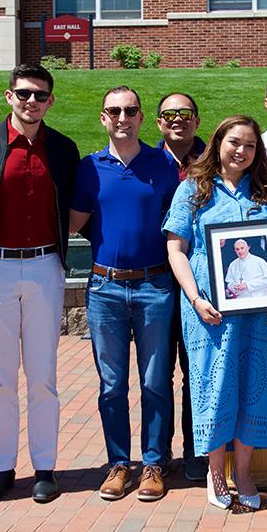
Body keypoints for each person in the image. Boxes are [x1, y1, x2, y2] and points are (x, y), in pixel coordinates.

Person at [0, 63, 80, 504]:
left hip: (46, 267)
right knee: (1, 378)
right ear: (9, 95)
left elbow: (80, 208)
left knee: (43, 375)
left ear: (50, 100)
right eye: (24, 93)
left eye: (41, 95)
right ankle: (2, 469)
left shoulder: (63, 149)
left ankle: (45, 467)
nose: (32, 102)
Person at [164, 115, 267, 511]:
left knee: (254, 385)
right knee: (212, 388)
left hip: (257, 312)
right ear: (218, 143)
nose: (241, 151)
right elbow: (175, 249)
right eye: (234, 142)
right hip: (208, 310)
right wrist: (196, 298)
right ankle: (216, 472)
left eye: (250, 145)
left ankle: (244, 471)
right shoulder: (192, 191)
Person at [69, 86, 178, 502]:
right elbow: (76, 221)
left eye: (130, 110)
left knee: (155, 381)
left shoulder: (162, 165)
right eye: (114, 110)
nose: (122, 117)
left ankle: (153, 462)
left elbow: (178, 220)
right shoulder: (90, 168)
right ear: (103, 118)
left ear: (141, 116)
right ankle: (119, 463)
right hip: (106, 287)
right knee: (112, 383)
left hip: (154, 285)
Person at [155, 92, 208, 481]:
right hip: (155, 280)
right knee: (158, 372)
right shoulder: (146, 161)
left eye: (185, 114)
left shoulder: (214, 160)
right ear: (158, 122)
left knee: (197, 369)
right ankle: (157, 455)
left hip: (201, 282)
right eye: (169, 115)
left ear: (197, 120)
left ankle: (196, 450)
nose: (178, 120)